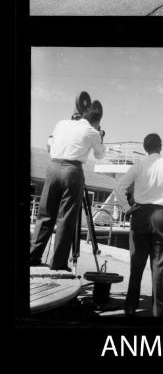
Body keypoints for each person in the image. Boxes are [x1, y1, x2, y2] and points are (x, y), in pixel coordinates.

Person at [114, 133, 163, 317]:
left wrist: (127, 207)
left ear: (144, 147)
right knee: (158, 266)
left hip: (140, 214)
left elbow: (119, 187)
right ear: (160, 146)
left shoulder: (139, 165)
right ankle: (158, 312)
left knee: (136, 264)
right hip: (161, 215)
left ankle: (130, 309)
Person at [30, 105, 105, 271]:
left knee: (44, 215)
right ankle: (58, 264)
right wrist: (99, 136)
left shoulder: (61, 123)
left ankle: (33, 256)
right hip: (72, 171)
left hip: (53, 168)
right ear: (97, 121)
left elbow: (49, 146)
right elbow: (100, 155)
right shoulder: (92, 132)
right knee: (66, 218)